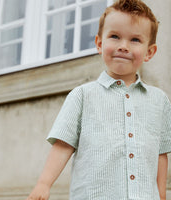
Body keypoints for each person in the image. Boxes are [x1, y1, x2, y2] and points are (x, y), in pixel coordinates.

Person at [26, 0, 171, 199]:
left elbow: (161, 155)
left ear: (149, 52)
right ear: (99, 44)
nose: (123, 46)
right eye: (115, 36)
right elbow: (63, 144)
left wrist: (161, 195)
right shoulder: (82, 96)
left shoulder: (160, 100)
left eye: (135, 40)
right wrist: (44, 184)